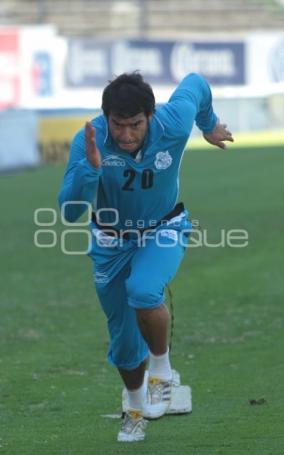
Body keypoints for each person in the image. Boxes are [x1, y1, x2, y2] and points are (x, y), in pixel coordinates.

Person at [58, 72, 233, 442]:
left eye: (135, 125)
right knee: (122, 340)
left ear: (151, 116)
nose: (125, 135)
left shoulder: (174, 119)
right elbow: (70, 212)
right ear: (106, 117)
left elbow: (197, 83)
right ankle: (135, 410)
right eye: (117, 125)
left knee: (144, 289)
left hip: (163, 227)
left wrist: (210, 124)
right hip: (110, 240)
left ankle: (162, 373)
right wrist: (90, 170)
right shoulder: (89, 140)